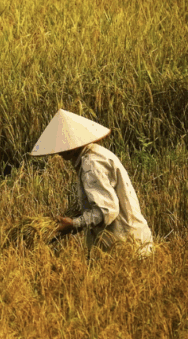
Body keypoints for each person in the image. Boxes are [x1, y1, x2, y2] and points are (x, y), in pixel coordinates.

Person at [30, 109, 153, 256]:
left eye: (62, 147)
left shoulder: (91, 164)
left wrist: (74, 224)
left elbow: (106, 210)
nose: (58, 152)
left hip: (124, 247)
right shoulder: (95, 153)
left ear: (72, 146)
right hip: (127, 243)